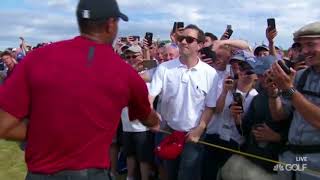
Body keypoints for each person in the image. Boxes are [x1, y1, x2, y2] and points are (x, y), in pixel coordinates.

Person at [0, 0, 160, 180]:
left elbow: (3, 126)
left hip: (39, 174)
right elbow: (148, 119)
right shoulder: (124, 72)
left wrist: (43, 131)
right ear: (110, 25)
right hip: (90, 174)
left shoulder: (36, 58)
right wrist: (157, 120)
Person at [149, 24, 219, 180]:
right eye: (181, 38)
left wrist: (199, 129)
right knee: (170, 173)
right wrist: (151, 115)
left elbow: (210, 106)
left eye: (189, 39)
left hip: (193, 135)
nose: (183, 42)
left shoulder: (210, 73)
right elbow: (151, 96)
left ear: (200, 45)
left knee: (188, 175)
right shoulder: (164, 68)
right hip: (168, 131)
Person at [269, 21, 320, 180]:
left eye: (310, 44)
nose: (304, 51)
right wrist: (273, 93)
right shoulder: (301, 76)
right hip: (291, 159)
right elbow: (280, 115)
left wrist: (289, 90)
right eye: (301, 46)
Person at [202, 59, 259, 180]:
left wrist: (238, 116)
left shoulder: (255, 96)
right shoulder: (224, 85)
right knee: (208, 174)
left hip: (234, 142)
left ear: (256, 76)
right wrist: (224, 91)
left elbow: (248, 127)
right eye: (242, 70)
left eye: (249, 71)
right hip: (214, 136)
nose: (244, 74)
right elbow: (216, 110)